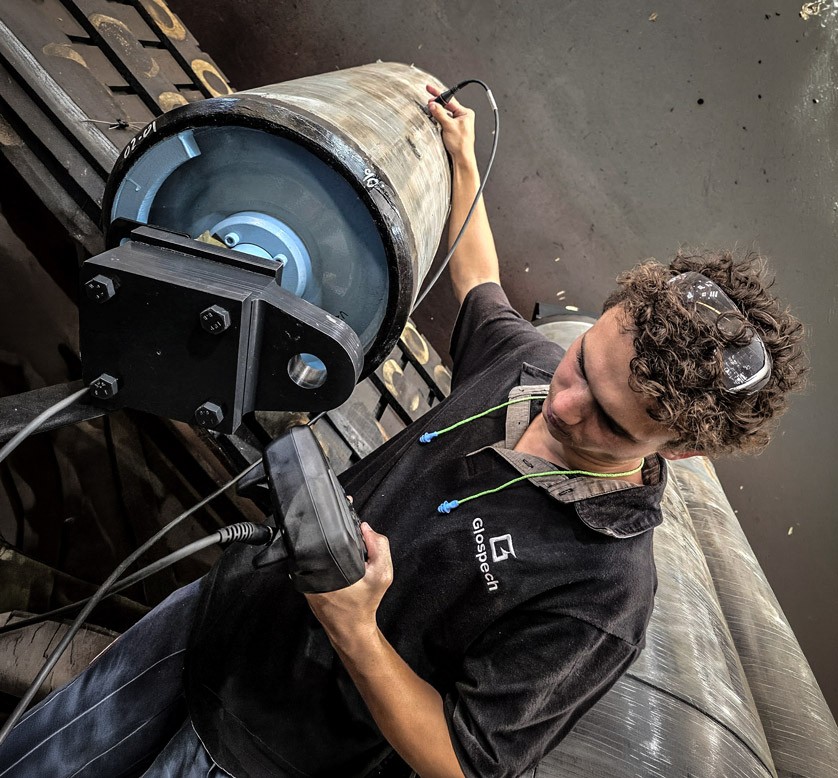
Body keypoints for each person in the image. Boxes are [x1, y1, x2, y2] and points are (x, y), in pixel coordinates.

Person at [0, 86, 806, 778]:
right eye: (583, 364)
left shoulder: (603, 593)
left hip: (259, 751)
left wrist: (356, 628)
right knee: (39, 754)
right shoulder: (525, 365)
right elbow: (480, 281)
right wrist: (461, 158)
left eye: (608, 420)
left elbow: (461, 761)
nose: (564, 405)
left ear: (683, 449)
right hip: (211, 619)